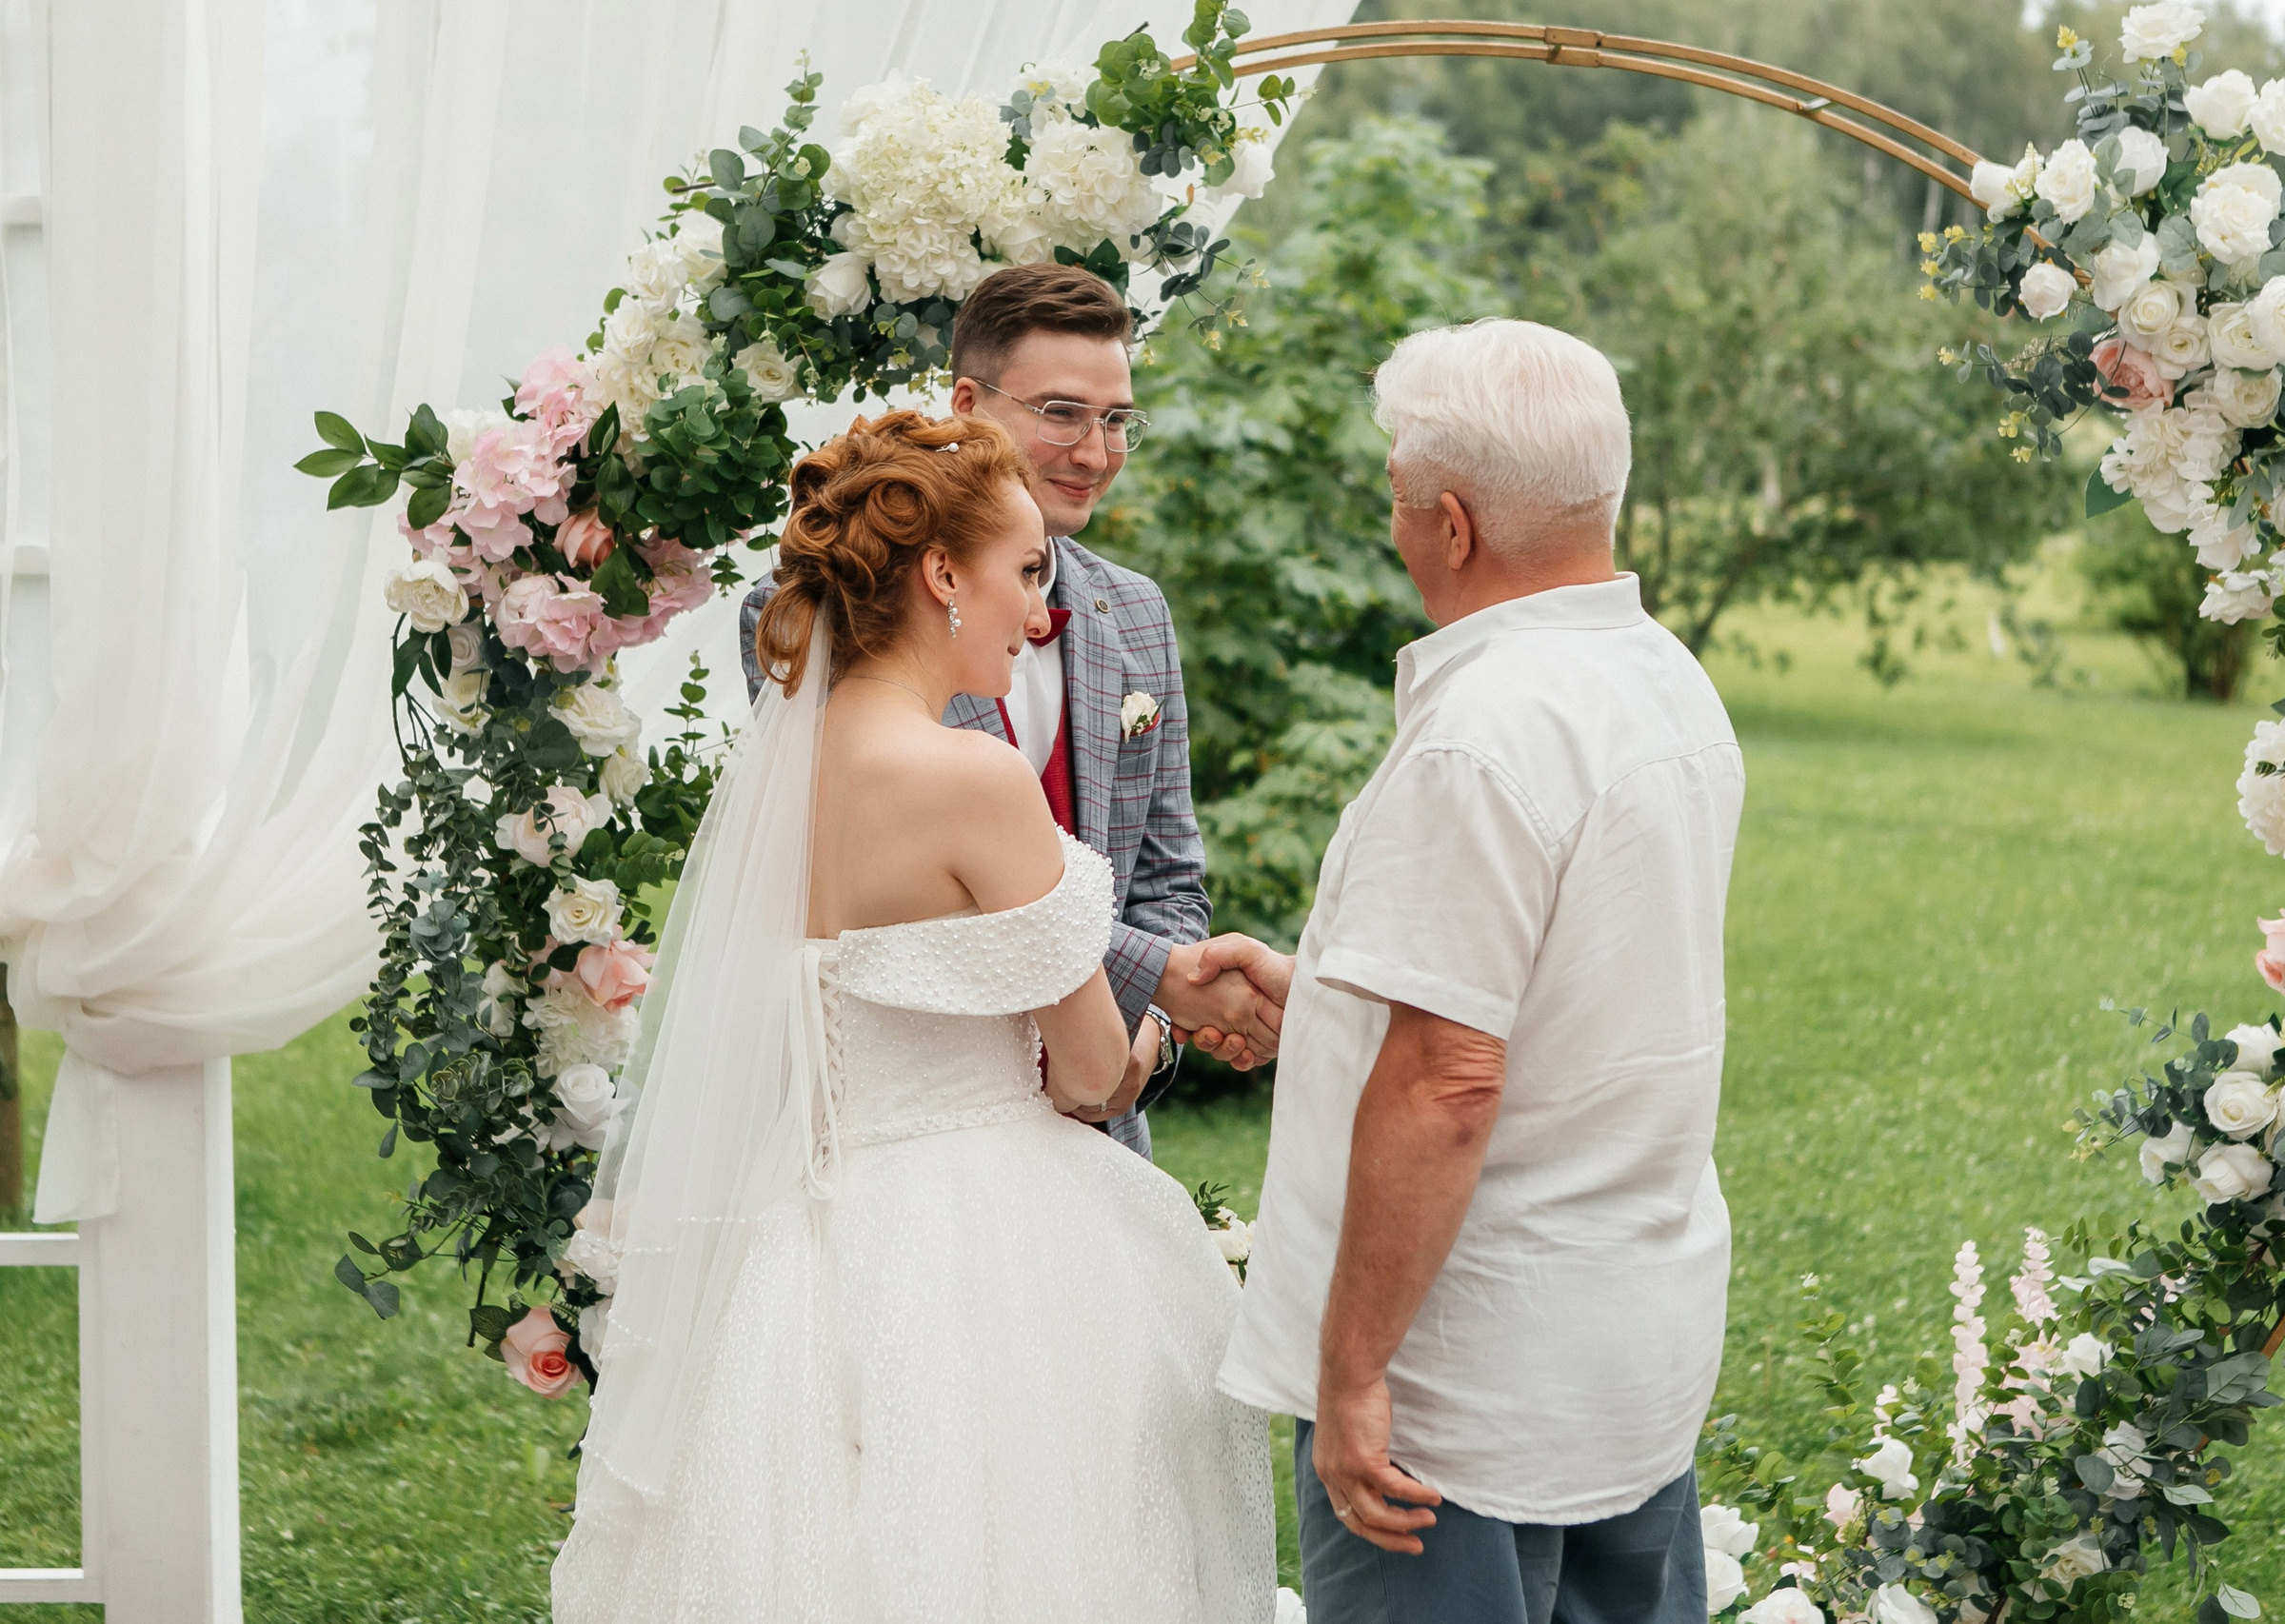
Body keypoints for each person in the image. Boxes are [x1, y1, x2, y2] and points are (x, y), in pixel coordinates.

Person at [554, 411, 1277, 1621]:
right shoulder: (972, 777)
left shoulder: (783, 774)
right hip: (985, 1241)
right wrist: (1171, 1028)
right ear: (944, 573)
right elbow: (1091, 1075)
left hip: (794, 1238)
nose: (1038, 614)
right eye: (1024, 571)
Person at [1215, 320, 1746, 1624]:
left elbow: (1450, 1079)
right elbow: (1583, 980)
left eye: (1397, 498)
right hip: (1630, 1334)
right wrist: (1340, 994)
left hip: (1464, 1384)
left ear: (1450, 524)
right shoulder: (1667, 680)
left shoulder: (1485, 727)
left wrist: (1350, 1377)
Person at [741, 264, 1280, 1159]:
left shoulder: (1137, 610)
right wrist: (1169, 984)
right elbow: (897, 900)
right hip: (905, 1122)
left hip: (1105, 1129)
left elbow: (1170, 877)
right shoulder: (818, 605)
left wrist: (1149, 1035)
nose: (1095, 452)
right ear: (969, 401)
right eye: (1063, 413)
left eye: (1117, 421)